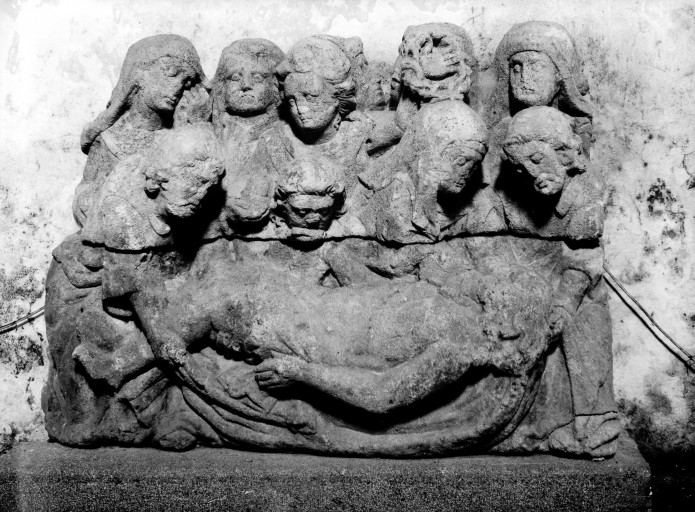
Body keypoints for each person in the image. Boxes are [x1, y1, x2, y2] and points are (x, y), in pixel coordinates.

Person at [73, 34, 209, 227]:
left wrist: (191, 130)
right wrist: (92, 202)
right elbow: (84, 193)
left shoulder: (179, 138)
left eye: (186, 81)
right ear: (139, 74)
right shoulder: (108, 139)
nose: (178, 86)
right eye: (171, 74)